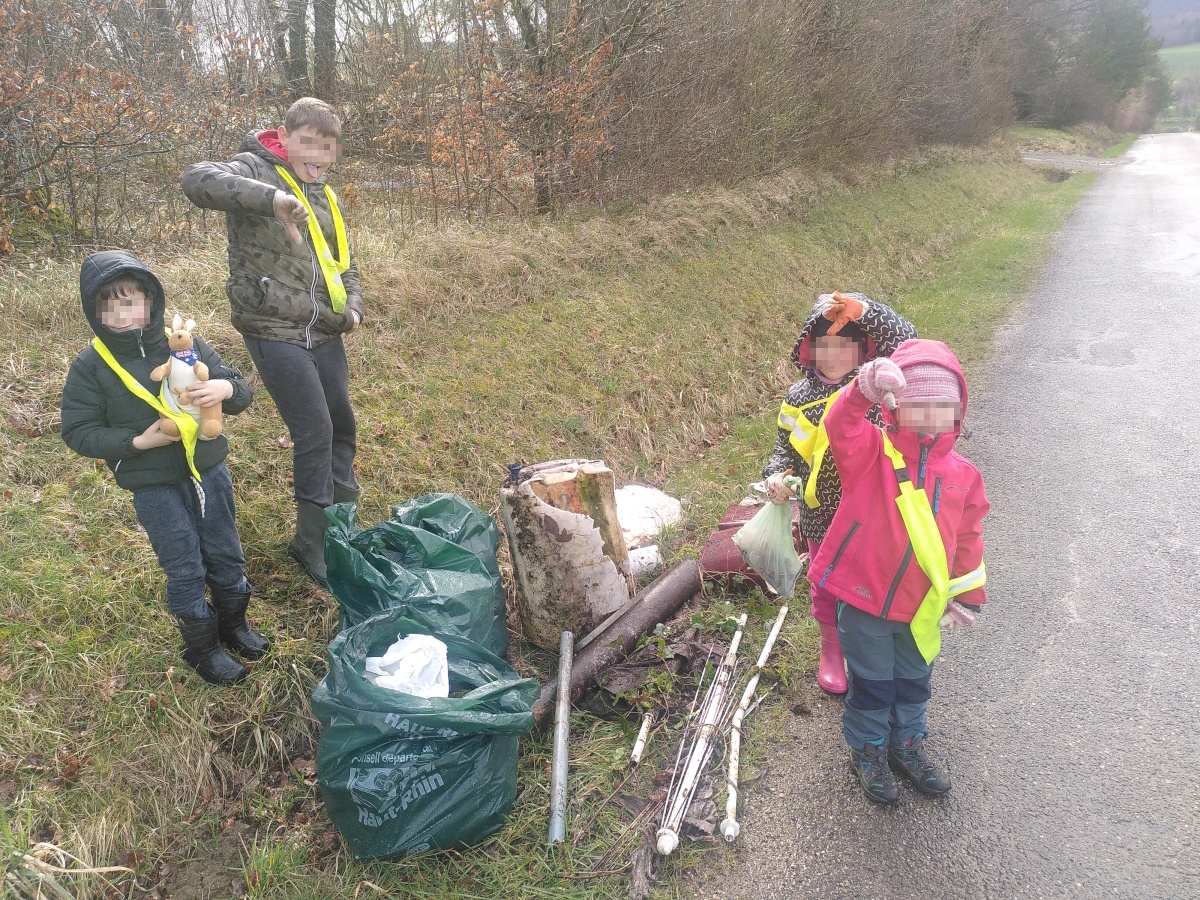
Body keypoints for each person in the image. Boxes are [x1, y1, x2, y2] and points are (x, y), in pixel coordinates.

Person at [61, 250, 269, 685]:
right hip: (152, 484)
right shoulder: (90, 365)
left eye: (131, 299)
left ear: (150, 300)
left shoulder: (184, 342)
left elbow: (243, 392)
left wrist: (223, 387)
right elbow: (78, 432)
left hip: (208, 471)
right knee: (184, 564)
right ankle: (203, 648)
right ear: (94, 310)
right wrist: (137, 441)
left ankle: (235, 626)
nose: (123, 312)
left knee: (225, 550)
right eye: (109, 303)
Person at [181, 96, 363, 586]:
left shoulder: (323, 193)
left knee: (342, 423)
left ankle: (341, 525)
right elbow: (195, 179)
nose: (318, 156)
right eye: (308, 143)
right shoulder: (252, 167)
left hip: (324, 326)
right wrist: (273, 201)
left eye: (328, 147)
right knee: (316, 429)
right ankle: (312, 544)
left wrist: (355, 306)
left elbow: (343, 261)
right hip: (272, 326)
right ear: (283, 138)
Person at [812, 338, 988, 803]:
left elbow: (967, 538)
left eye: (942, 405)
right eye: (918, 404)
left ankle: (907, 743)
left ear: (958, 411)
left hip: (923, 608)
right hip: (866, 602)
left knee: (913, 681)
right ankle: (868, 749)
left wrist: (966, 594)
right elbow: (839, 422)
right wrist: (863, 388)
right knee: (872, 684)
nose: (930, 415)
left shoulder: (964, 475)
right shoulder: (871, 454)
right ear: (895, 407)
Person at [762, 291, 917, 694]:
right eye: (824, 346)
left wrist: (867, 312)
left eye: (845, 346)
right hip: (819, 510)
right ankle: (831, 652)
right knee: (825, 584)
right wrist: (777, 475)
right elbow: (784, 447)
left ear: (864, 349)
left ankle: (877, 647)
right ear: (808, 349)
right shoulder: (796, 397)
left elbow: (909, 341)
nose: (833, 356)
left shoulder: (874, 386)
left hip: (874, 508)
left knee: (874, 578)